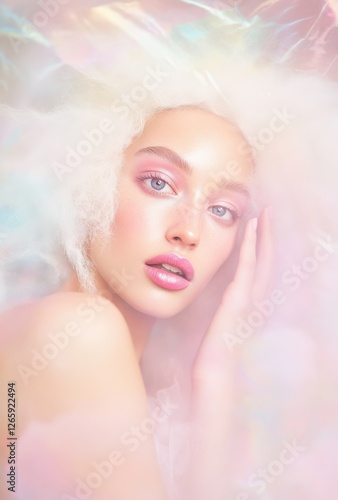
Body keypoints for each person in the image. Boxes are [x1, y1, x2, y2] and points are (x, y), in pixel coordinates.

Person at [0, 3, 337, 500]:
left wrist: (216, 370)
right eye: (159, 183)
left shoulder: (117, 365)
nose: (189, 232)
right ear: (90, 179)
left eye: (222, 209)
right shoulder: (78, 331)